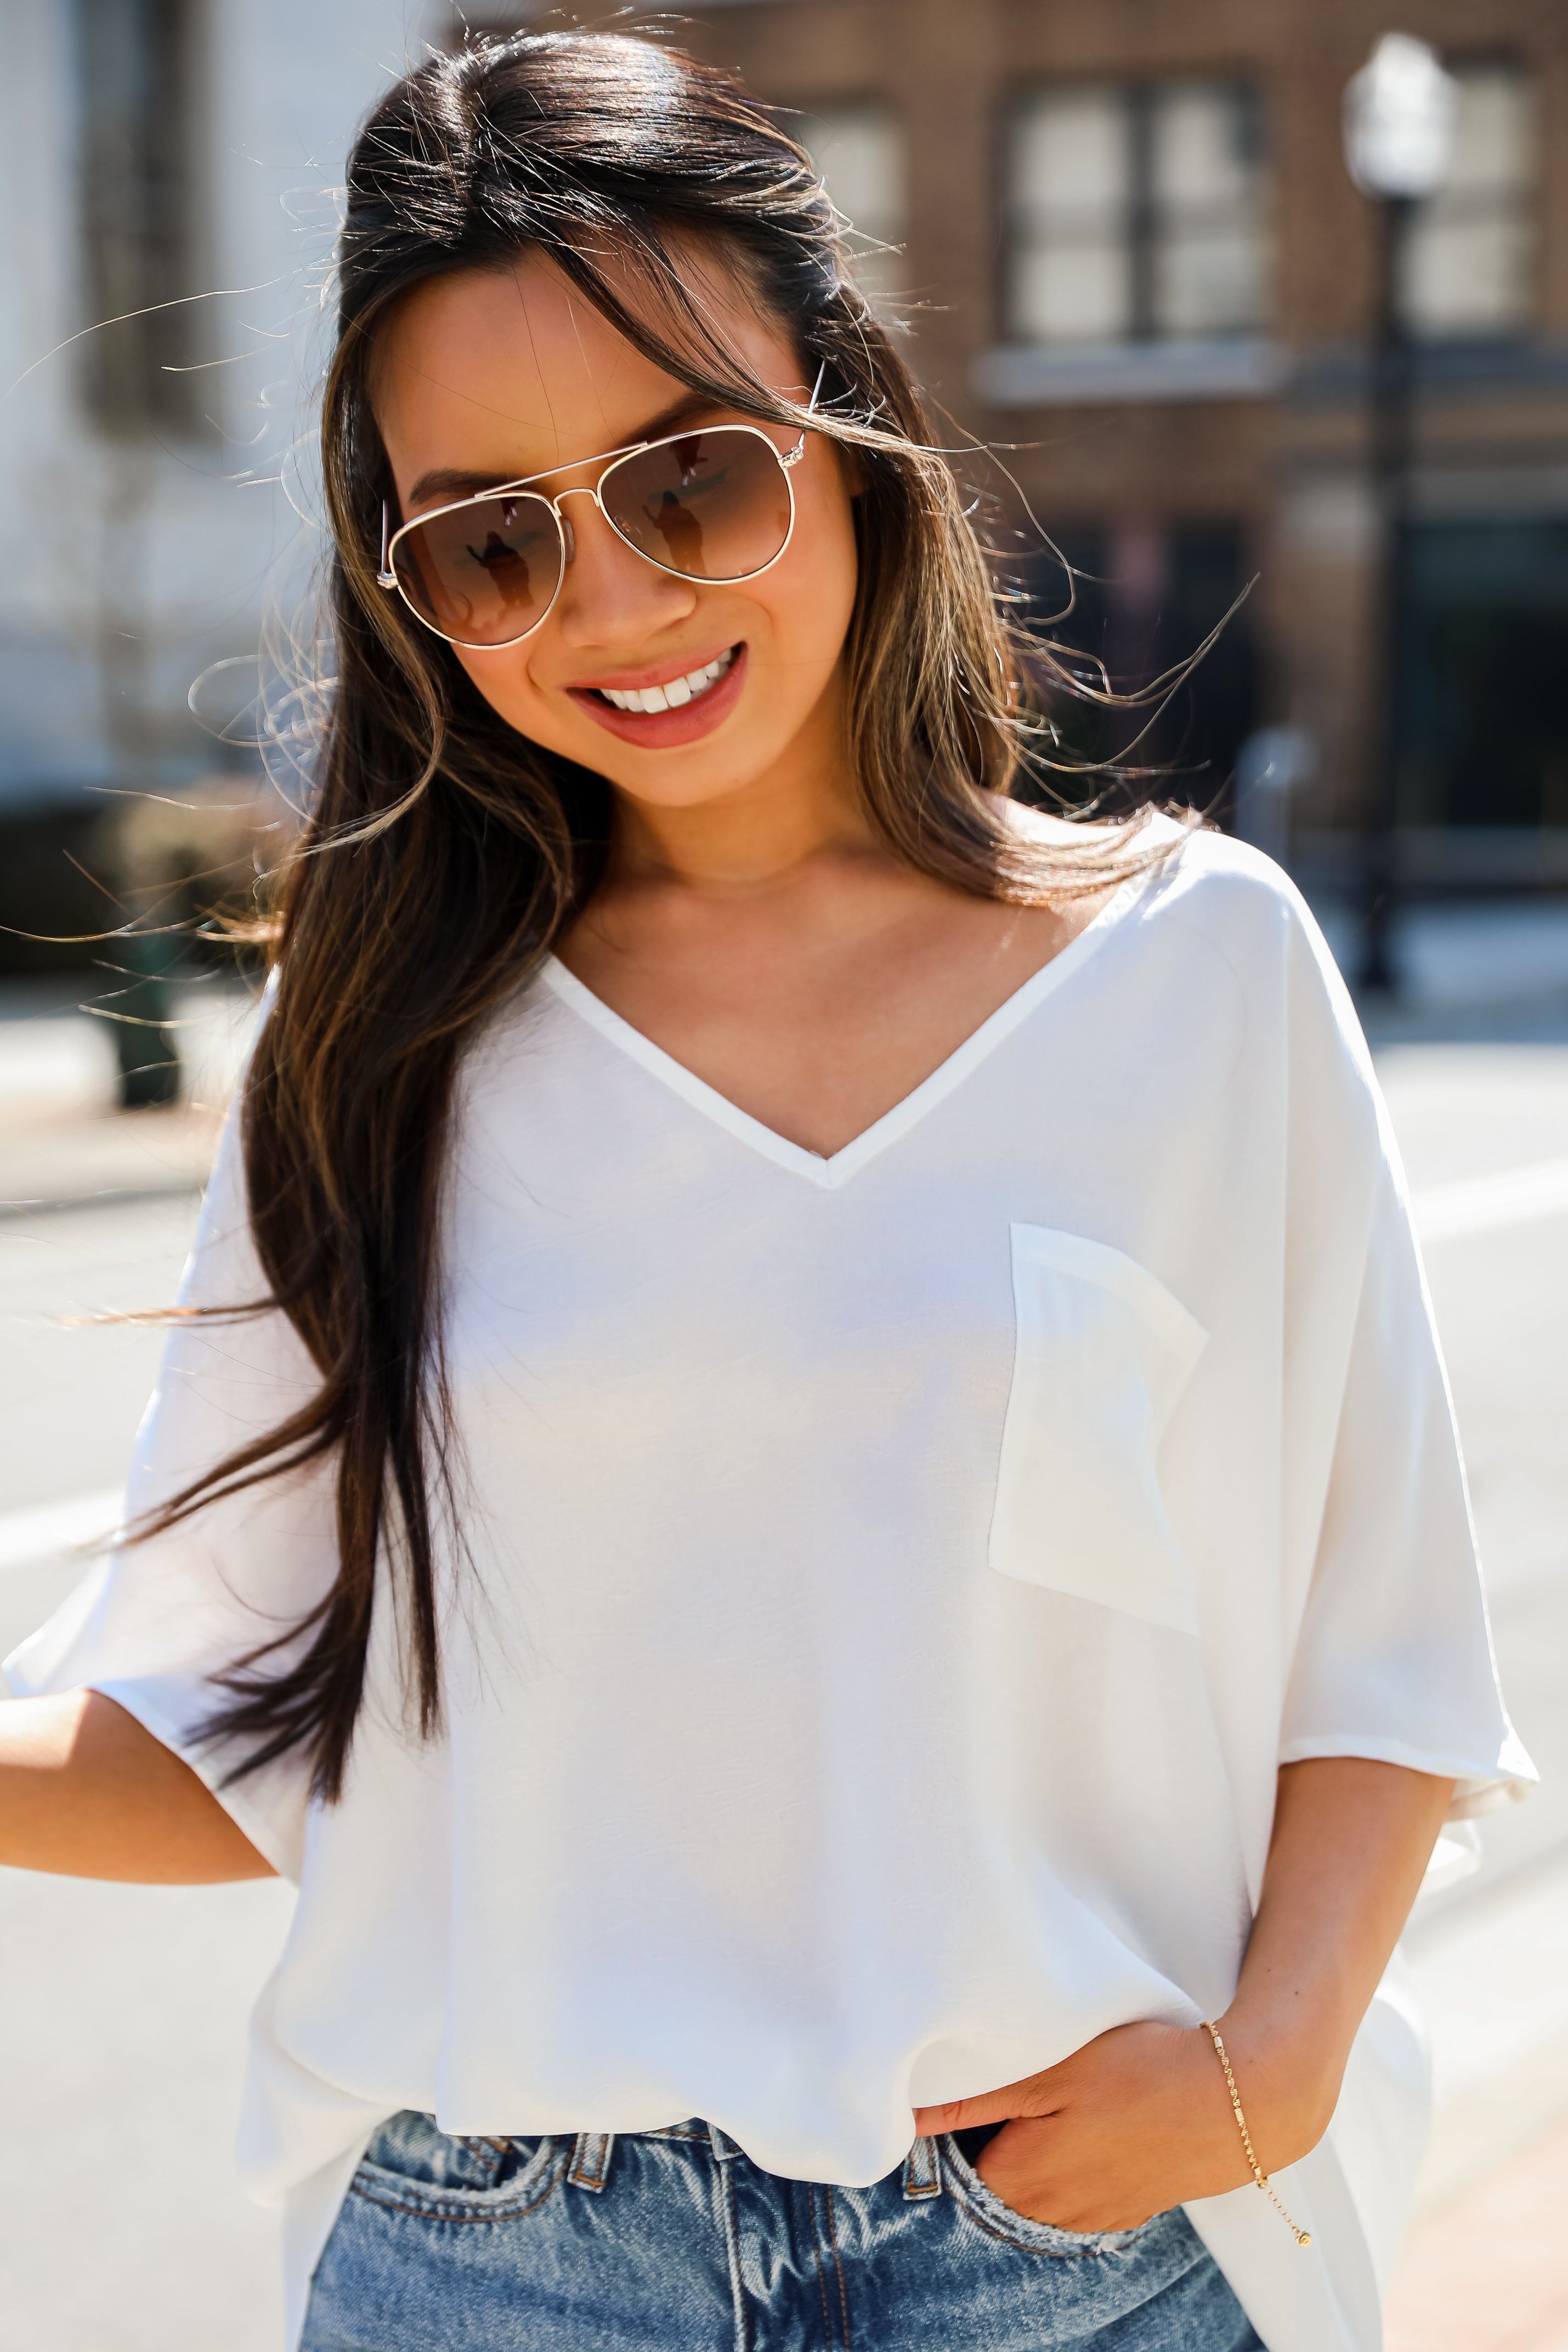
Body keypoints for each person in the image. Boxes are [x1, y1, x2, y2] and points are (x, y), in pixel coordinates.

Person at [0, 32, 1531, 2352]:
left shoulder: (1195, 973)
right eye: (491, 537)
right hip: (498, 2262)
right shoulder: (384, 1049)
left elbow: (1381, 1642)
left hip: (1077, 2253)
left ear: (845, 421)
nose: (610, 598)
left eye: (691, 478)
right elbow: (222, 1725)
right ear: (409, 585)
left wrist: (1265, 2062)